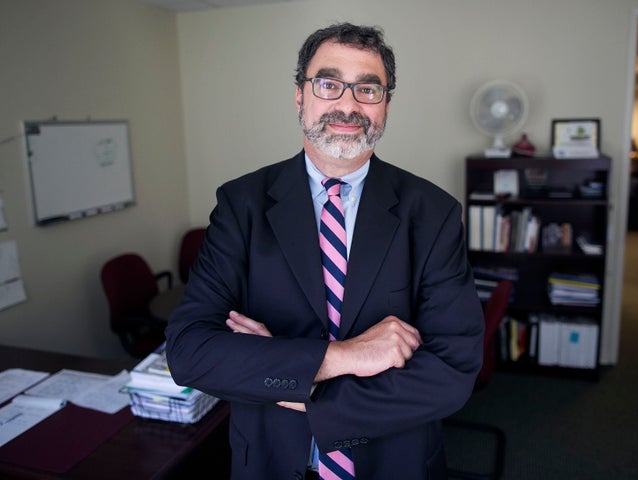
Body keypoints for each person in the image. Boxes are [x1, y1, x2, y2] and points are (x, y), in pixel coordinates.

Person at [165, 22, 484, 480]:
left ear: (386, 104)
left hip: (394, 462)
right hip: (270, 462)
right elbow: (190, 351)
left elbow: (451, 371)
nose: (348, 105)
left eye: (368, 89)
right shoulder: (242, 205)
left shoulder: (432, 213)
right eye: (329, 84)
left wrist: (301, 386)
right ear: (300, 96)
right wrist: (344, 357)